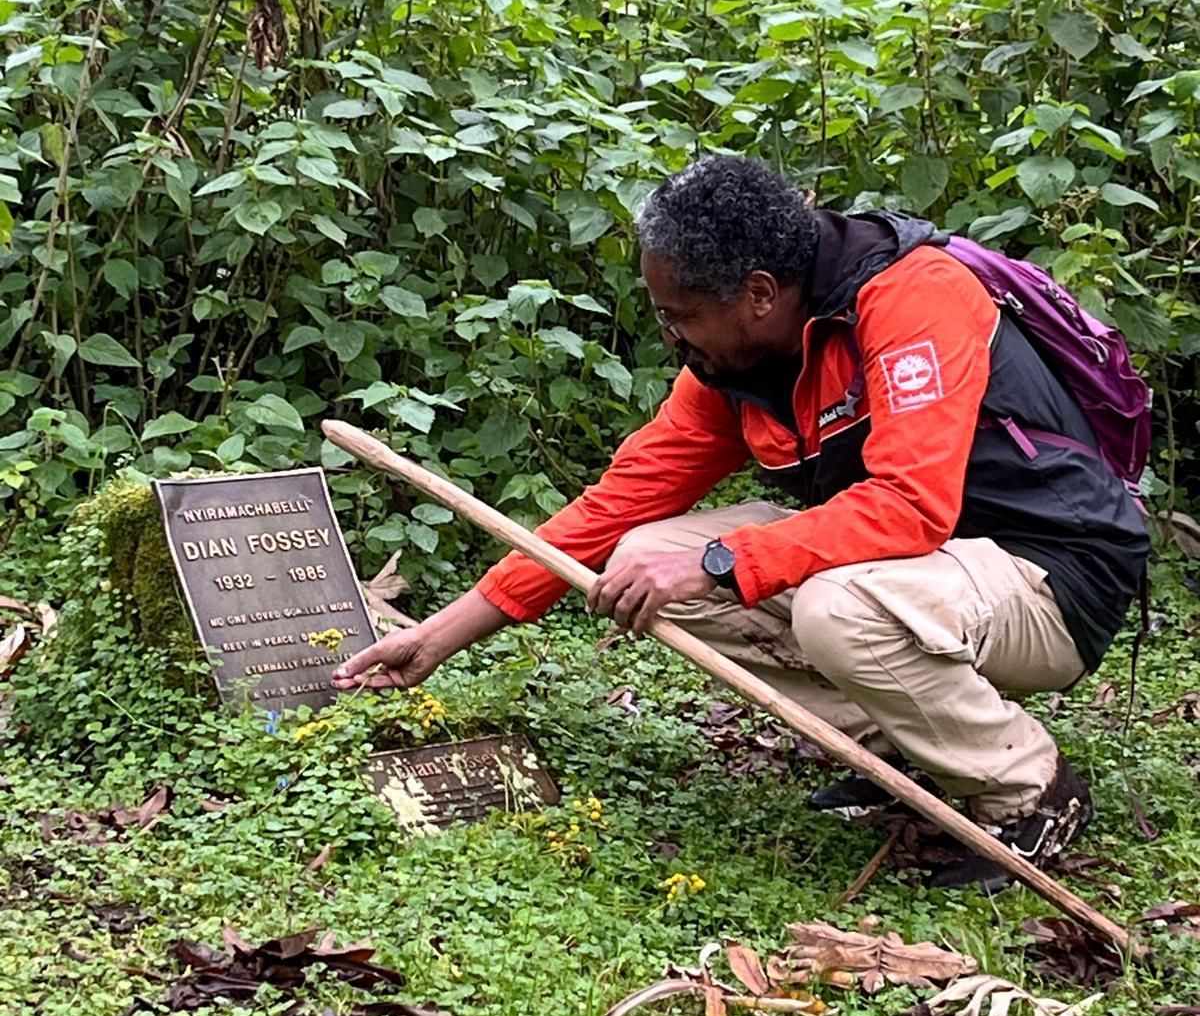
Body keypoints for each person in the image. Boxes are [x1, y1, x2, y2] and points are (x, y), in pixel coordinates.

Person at [334, 155, 1150, 892]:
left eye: (681, 313)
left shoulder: (913, 296)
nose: (670, 335)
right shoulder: (735, 361)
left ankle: (1029, 790)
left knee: (834, 607)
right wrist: (441, 635)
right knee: (644, 554)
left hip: (1051, 576)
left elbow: (910, 505)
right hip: (925, 573)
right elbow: (616, 504)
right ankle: (912, 747)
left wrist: (726, 562)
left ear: (759, 293)